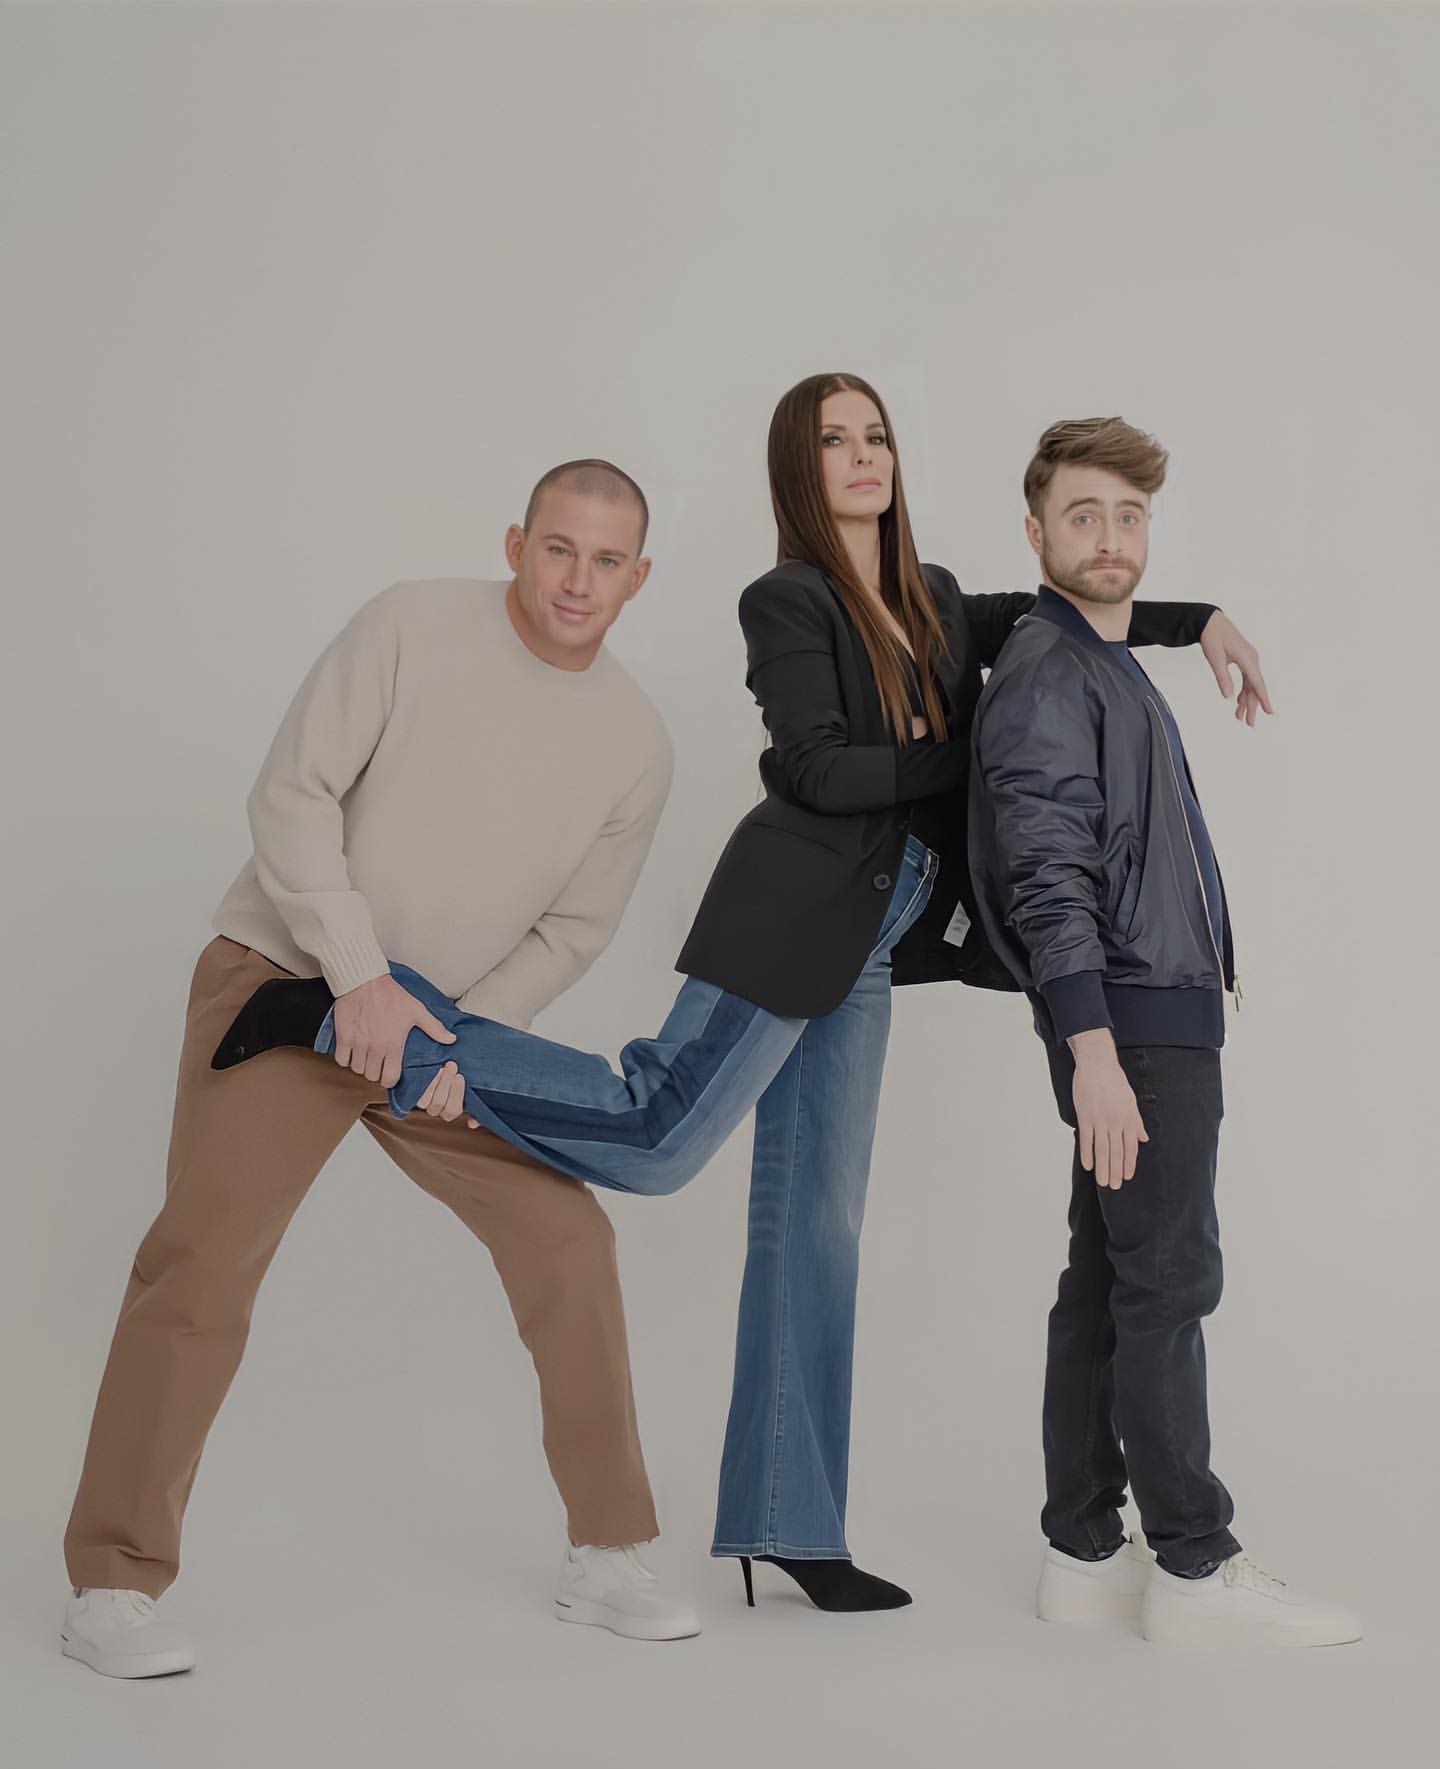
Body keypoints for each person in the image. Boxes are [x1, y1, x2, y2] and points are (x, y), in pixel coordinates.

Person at [227, 374, 1267, 1613]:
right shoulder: (788, 599)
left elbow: (1070, 609)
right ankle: (343, 1013)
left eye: (876, 435)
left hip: (871, 942)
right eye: (834, 440)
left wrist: (1203, 620)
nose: (863, 455)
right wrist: (975, 755)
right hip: (795, 910)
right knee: (658, 1129)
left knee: (817, 1225)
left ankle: (790, 1522)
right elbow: (816, 771)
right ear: (799, 467)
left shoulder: (936, 598)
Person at [61, 460, 703, 1680]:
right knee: (203, 1262)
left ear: (639, 576)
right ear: (516, 543)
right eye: (559, 548)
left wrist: (461, 1042)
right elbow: (291, 796)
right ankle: (113, 1581)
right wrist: (359, 975)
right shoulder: (410, 625)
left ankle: (607, 1551)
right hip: (289, 987)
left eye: (607, 559)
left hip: (437, 1033)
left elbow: (574, 930)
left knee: (569, 1242)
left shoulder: (637, 743)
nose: (578, 579)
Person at [968, 415, 1360, 1647]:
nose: (1110, 539)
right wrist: (1093, 1052)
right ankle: (1194, 1562)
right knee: (1171, 1281)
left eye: (1129, 517)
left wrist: (1205, 622)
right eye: (1082, 516)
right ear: (1036, 533)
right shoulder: (1048, 672)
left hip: (1144, 1011)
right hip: (1134, 1023)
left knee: (1108, 1280)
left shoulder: (1092, 655)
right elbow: (1047, 876)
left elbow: (1130, 620)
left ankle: (1084, 1552)